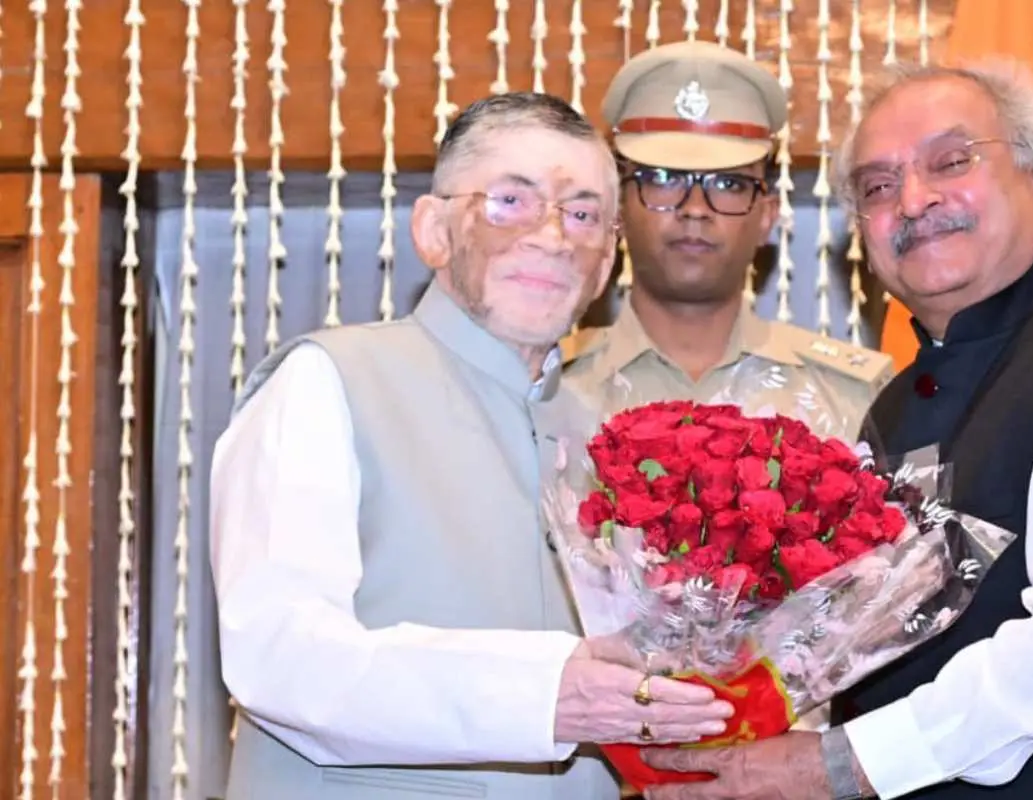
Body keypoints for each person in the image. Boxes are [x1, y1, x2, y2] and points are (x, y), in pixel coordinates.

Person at [638, 59, 1033, 799]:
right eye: (879, 187)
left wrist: (837, 763)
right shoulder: (894, 408)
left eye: (951, 162)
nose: (914, 200)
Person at [208, 93, 735, 800]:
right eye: (511, 201)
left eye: (581, 215)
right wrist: (543, 694)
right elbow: (281, 659)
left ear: (607, 262)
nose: (551, 236)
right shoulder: (328, 381)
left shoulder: (609, 443)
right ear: (433, 229)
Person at [562, 40, 893, 444]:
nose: (696, 208)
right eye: (664, 179)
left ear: (767, 216)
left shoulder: (855, 399)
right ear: (618, 207)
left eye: (728, 183)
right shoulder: (547, 393)